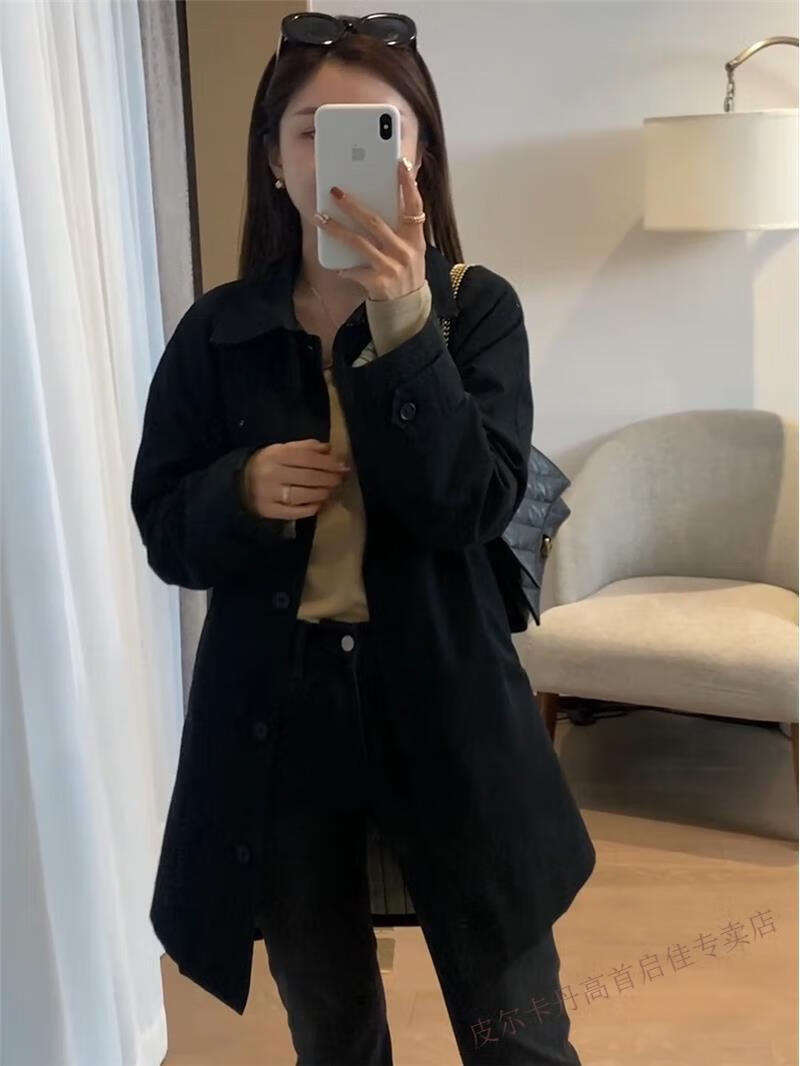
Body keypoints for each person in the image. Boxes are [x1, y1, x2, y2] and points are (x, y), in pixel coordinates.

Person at [131, 11, 596, 1065]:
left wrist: (403, 324)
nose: (335, 157)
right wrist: (238, 492)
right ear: (273, 159)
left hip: (448, 700)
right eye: (310, 131)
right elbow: (165, 531)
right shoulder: (218, 332)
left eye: (377, 131)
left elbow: (472, 504)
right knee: (333, 1030)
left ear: (418, 155)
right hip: (280, 717)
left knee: (518, 1031)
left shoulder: (475, 313)